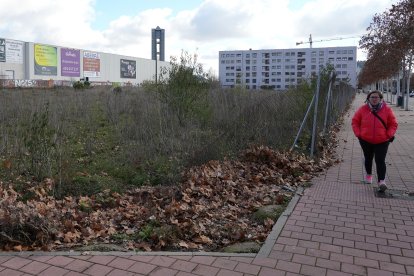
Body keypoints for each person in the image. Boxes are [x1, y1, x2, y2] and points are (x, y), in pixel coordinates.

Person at [351, 90, 398, 192]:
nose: (374, 99)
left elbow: (393, 124)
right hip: (365, 140)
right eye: (372, 97)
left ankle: (382, 181)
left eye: (377, 97)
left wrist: (389, 134)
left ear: (381, 99)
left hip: (382, 140)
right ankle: (369, 175)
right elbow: (355, 121)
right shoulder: (363, 109)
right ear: (368, 98)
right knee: (368, 158)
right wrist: (358, 134)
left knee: (380, 160)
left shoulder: (387, 110)